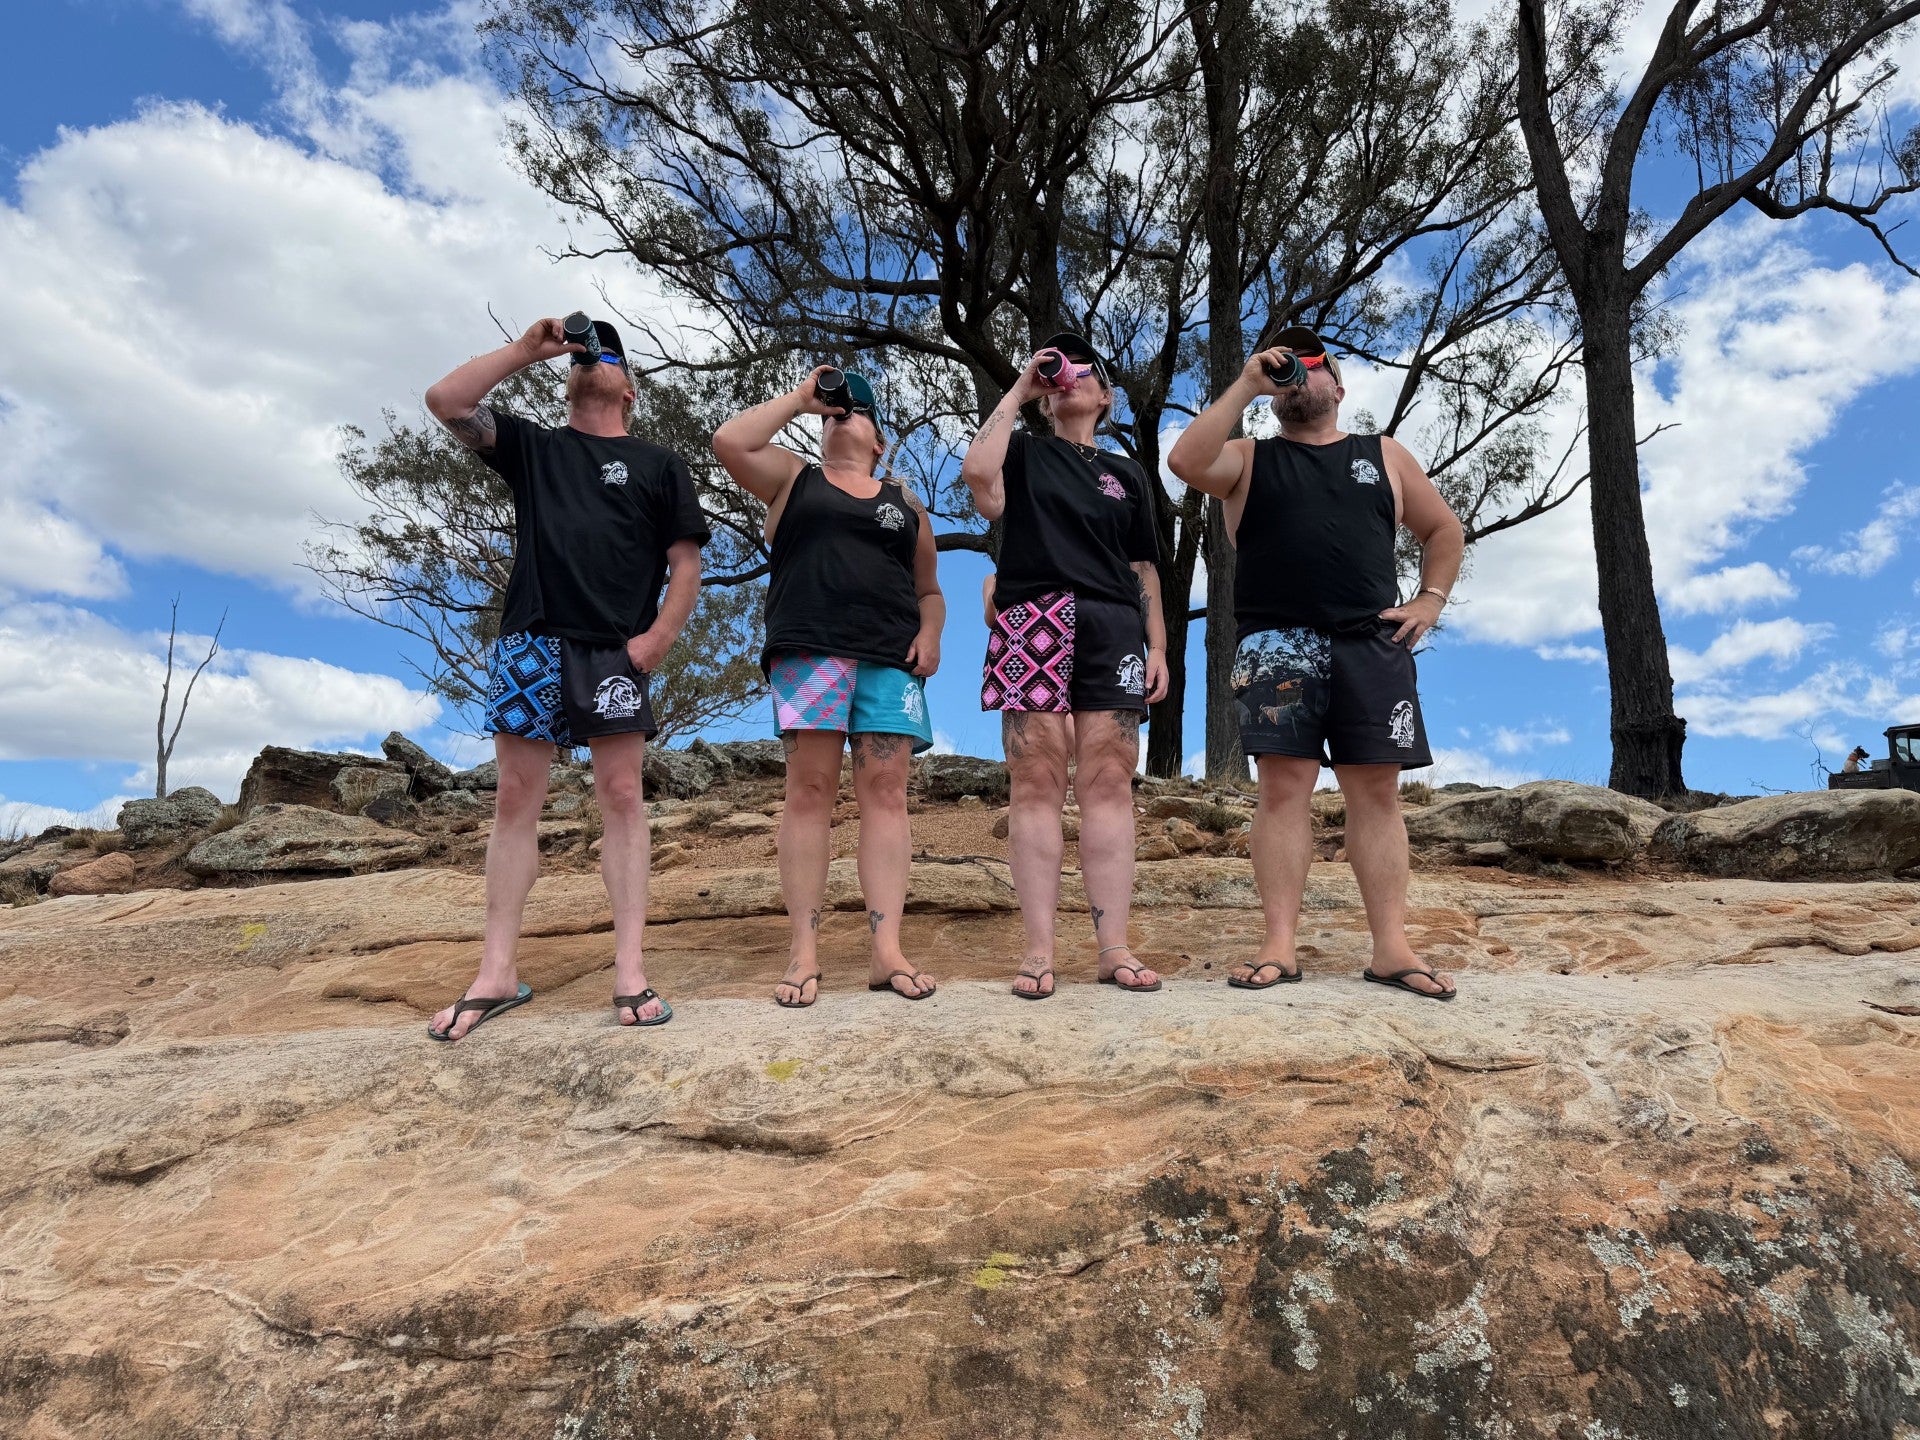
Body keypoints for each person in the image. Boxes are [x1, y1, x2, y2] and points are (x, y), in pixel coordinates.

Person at [422, 316, 708, 1039]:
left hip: (615, 651)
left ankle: (630, 969)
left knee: (620, 795)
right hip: (531, 641)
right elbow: (446, 402)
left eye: (609, 352)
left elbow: (686, 565)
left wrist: (657, 641)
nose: (595, 358)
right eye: (588, 350)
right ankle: (496, 973)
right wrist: (526, 350)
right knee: (515, 798)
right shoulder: (536, 448)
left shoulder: (659, 464)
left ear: (630, 389)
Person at [1168, 326, 1465, 1001]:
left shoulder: (1383, 454)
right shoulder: (1245, 456)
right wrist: (1247, 383)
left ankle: (1391, 947)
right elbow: (1186, 463)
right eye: (1285, 365)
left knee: (1377, 795)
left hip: (1372, 643)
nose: (1298, 373)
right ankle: (1279, 945)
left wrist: (1429, 599)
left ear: (1339, 385)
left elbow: (1443, 529)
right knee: (1282, 790)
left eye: (1313, 363)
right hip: (1277, 643)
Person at [712, 367, 946, 1007]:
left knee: (887, 792)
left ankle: (886, 950)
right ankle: (803, 951)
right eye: (831, 414)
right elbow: (730, 443)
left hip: (889, 659)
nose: (840, 417)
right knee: (809, 790)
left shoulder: (905, 502)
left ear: (880, 441)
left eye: (855, 412)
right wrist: (800, 398)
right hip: (810, 650)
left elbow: (930, 590)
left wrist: (932, 634)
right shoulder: (792, 478)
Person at [961, 333, 1169, 1000]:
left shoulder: (1128, 472)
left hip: (1114, 626)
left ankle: (1114, 948)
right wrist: (1023, 388)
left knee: (1109, 779)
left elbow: (1144, 569)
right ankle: (1039, 951)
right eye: (1059, 365)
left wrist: (1157, 646)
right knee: (1037, 776)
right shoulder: (1023, 451)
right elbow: (976, 478)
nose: (1069, 374)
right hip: (1034, 619)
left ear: (1105, 396)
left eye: (1085, 368)